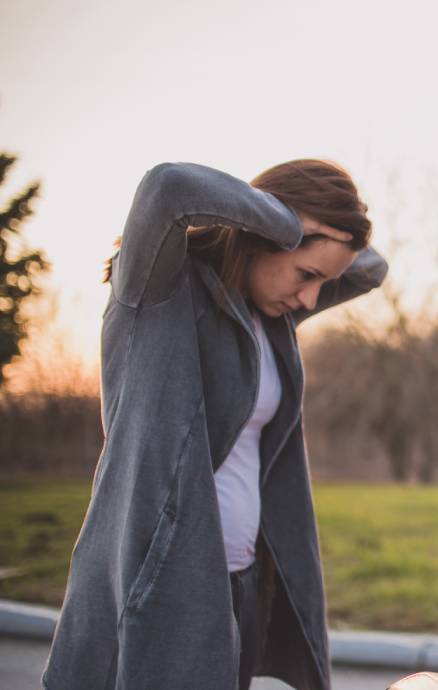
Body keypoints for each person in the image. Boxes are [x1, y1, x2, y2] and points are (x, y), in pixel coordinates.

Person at [41, 160, 388, 690]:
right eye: (307, 275)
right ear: (263, 234)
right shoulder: (159, 290)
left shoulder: (271, 317)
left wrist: (326, 238)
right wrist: (289, 222)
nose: (311, 298)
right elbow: (168, 186)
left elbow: (373, 268)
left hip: (242, 581)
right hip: (163, 587)